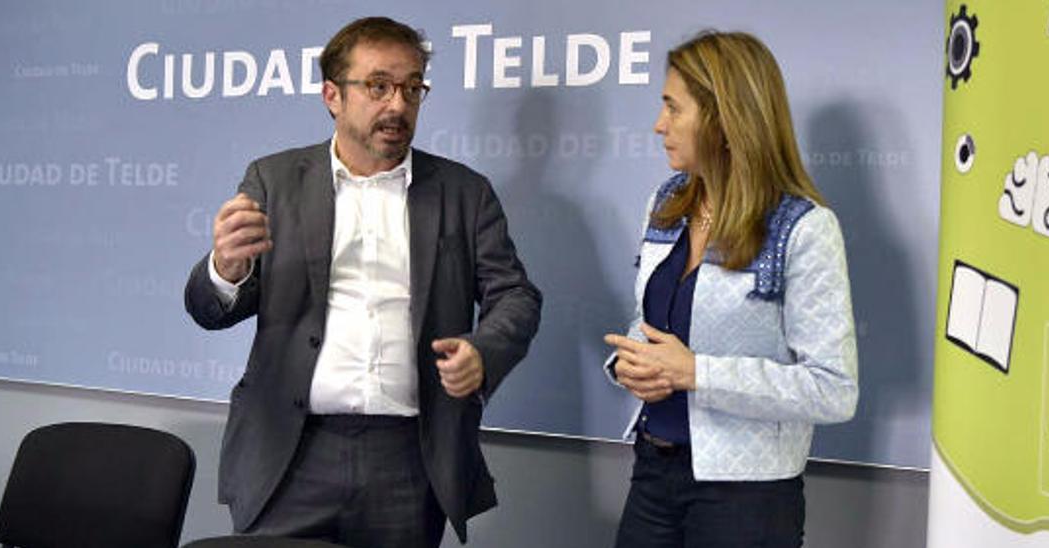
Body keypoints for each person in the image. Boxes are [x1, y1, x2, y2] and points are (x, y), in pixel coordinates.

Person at [184, 16, 541, 548]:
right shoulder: (274, 179)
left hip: (407, 460)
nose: (397, 105)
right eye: (378, 86)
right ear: (333, 95)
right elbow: (209, 308)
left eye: (411, 87)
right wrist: (226, 269)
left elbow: (515, 294)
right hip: (289, 453)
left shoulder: (465, 193)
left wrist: (483, 351)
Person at [602, 31, 859, 548]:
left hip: (747, 499)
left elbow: (834, 390)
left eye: (673, 108)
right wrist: (629, 364)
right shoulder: (667, 202)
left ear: (724, 118)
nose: (659, 125)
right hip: (653, 472)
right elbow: (648, 322)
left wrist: (696, 373)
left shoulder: (804, 227)